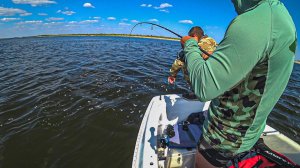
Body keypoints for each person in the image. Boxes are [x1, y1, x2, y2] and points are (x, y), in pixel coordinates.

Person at [180, 0, 297, 167]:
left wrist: (190, 44)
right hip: (249, 135)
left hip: (222, 140)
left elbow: (204, 87)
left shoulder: (253, 22)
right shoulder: (281, 17)